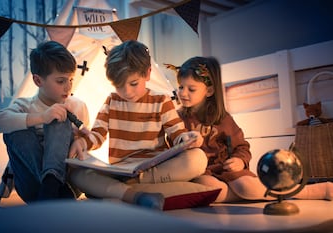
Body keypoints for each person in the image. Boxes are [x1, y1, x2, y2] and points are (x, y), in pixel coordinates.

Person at [68, 40, 208, 210]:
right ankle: (132, 192)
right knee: (76, 174)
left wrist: (188, 139)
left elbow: (177, 134)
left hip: (154, 169)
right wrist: (82, 142)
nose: (127, 91)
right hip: (120, 170)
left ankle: (120, 190)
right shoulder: (112, 101)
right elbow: (97, 135)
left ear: (147, 74)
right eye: (119, 85)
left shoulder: (161, 101)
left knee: (198, 159)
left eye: (133, 83)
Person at [174, 56, 332, 202]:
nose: (183, 93)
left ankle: (310, 191)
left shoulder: (222, 118)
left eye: (191, 89)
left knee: (247, 186)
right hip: (203, 172)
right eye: (181, 87)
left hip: (227, 168)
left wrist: (240, 161)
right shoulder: (177, 118)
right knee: (213, 190)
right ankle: (249, 195)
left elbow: (242, 147)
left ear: (209, 91)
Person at [0, 41, 90, 203]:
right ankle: (52, 190)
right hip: (32, 187)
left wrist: (82, 140)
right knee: (15, 130)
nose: (68, 87)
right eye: (61, 81)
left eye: (71, 79)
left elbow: (85, 142)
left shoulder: (77, 106)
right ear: (38, 81)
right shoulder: (25, 105)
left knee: (60, 120)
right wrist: (41, 117)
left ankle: (52, 190)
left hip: (69, 184)